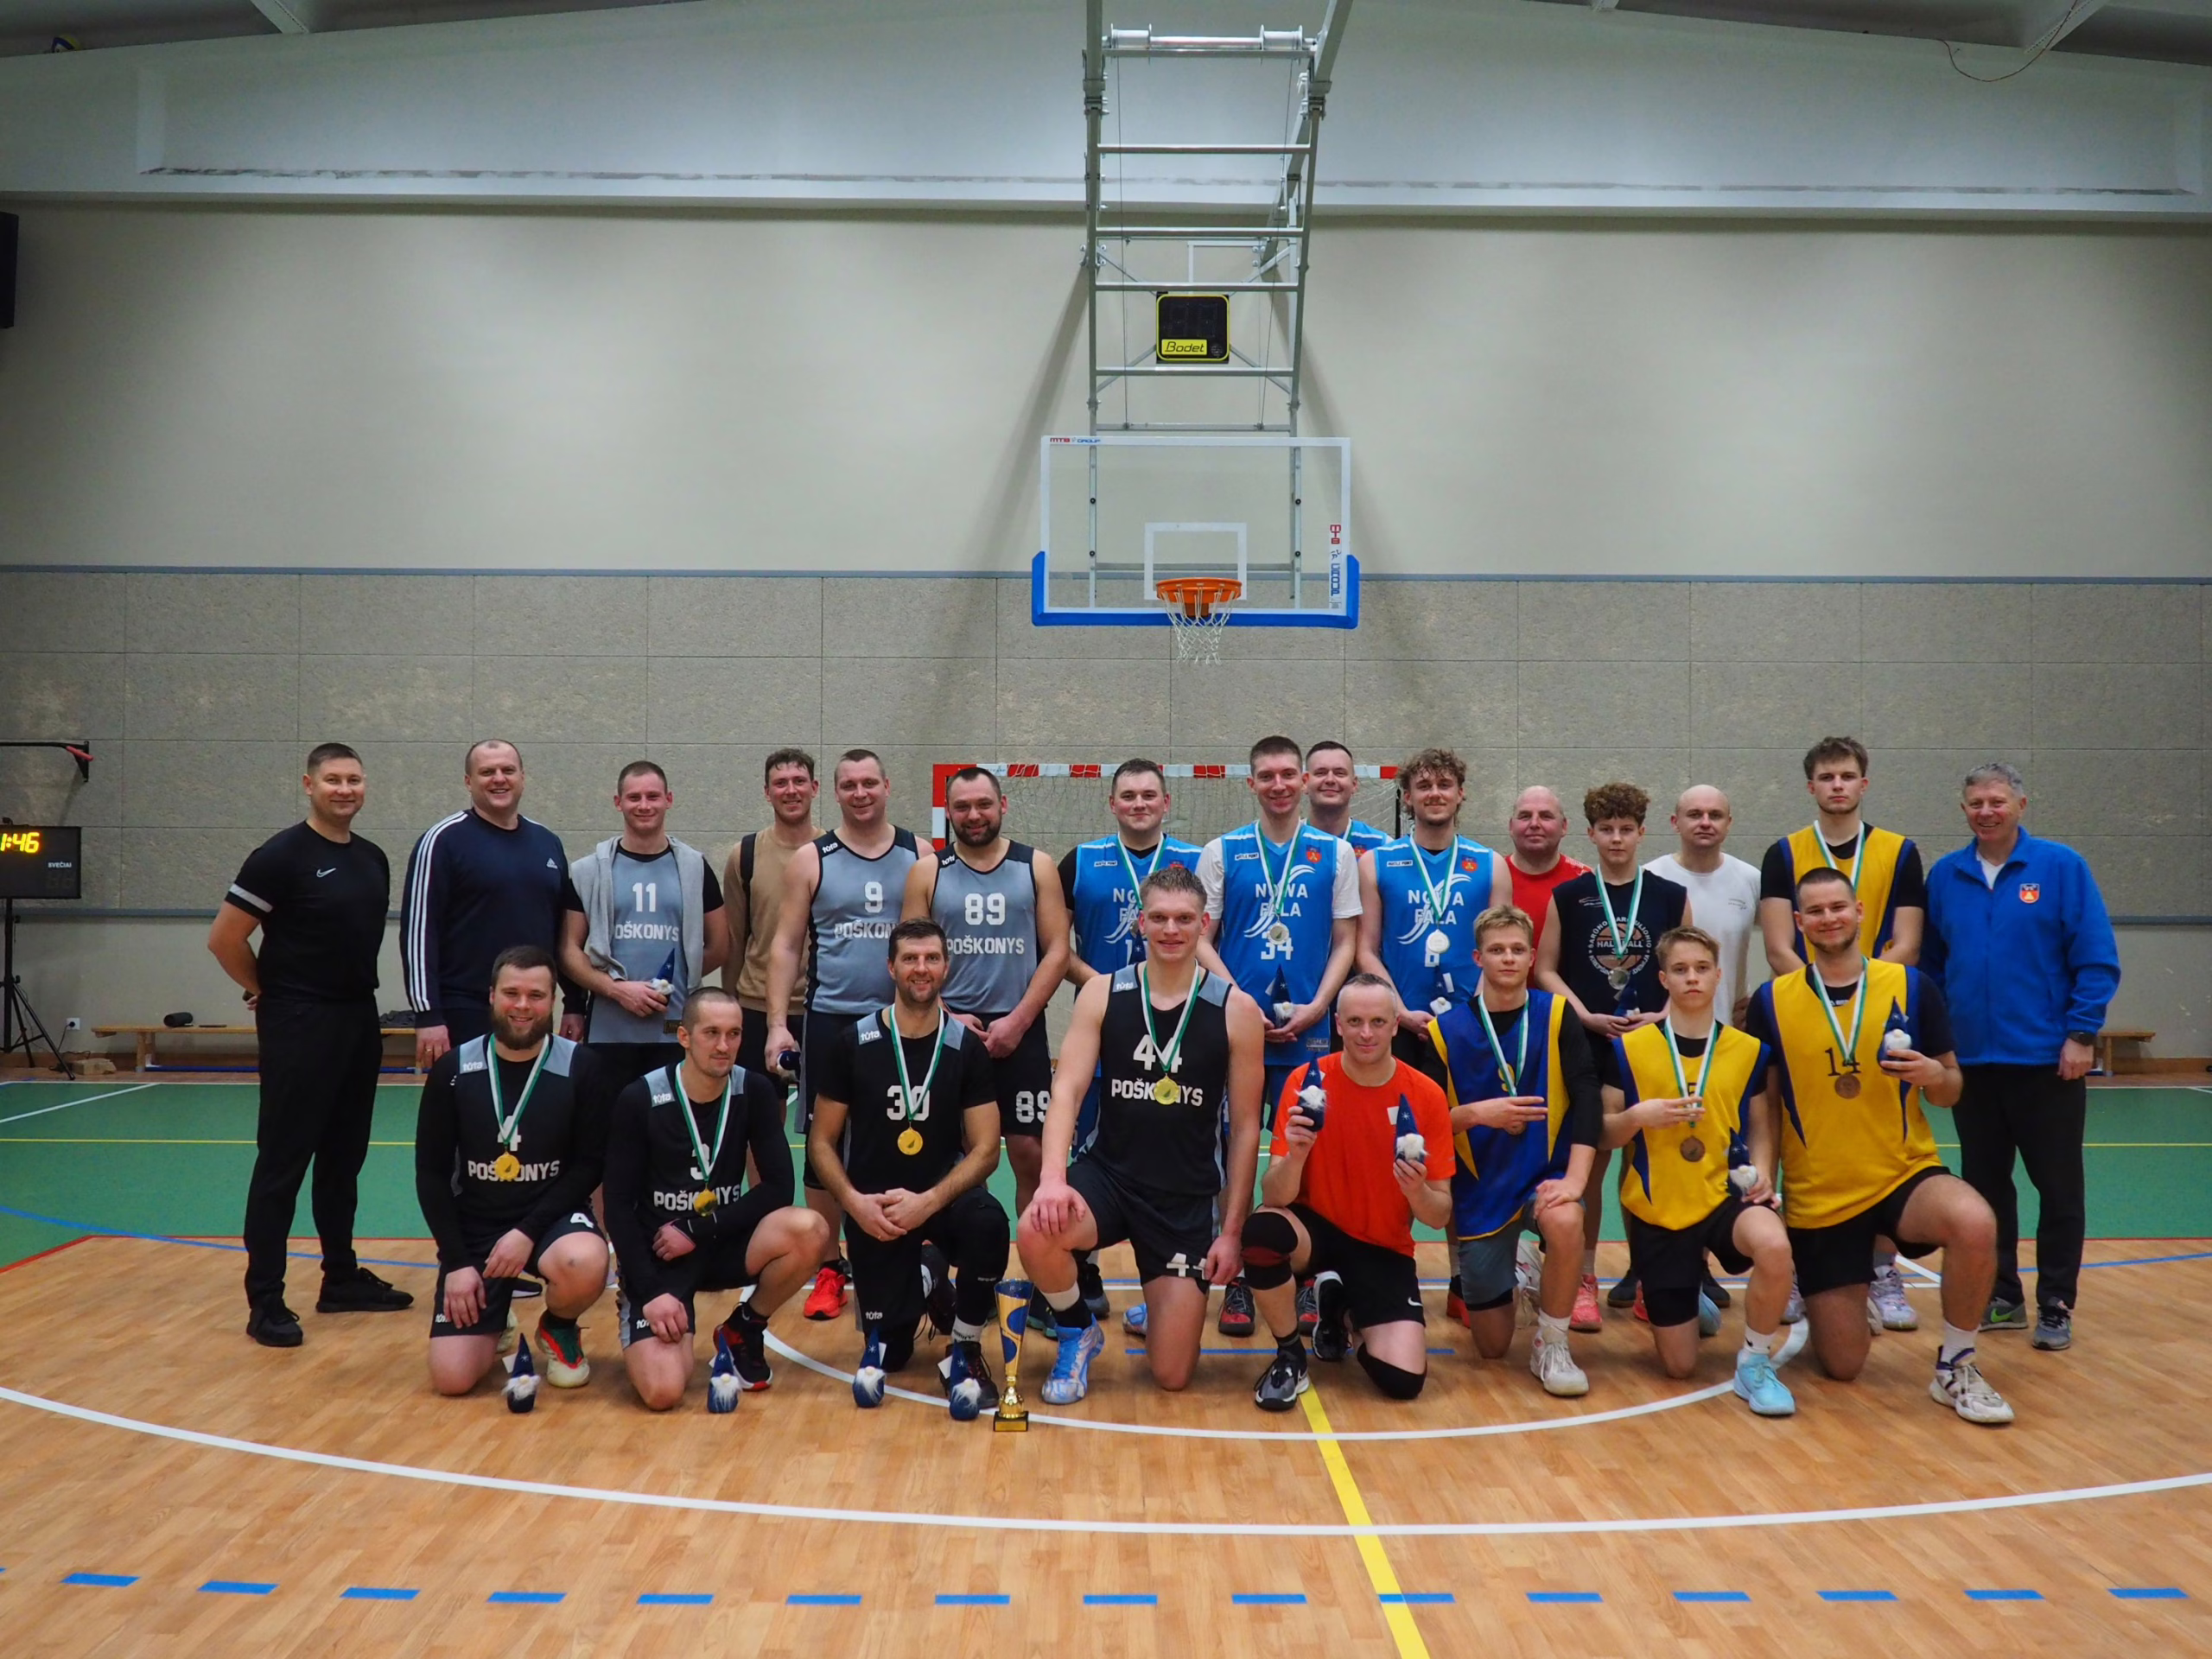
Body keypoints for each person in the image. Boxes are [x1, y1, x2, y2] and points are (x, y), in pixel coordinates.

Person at [1742, 868, 2013, 1425]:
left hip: (1901, 1173)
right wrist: (1764, 1173)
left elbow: (1951, 1089)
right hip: (1821, 1194)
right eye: (1815, 911)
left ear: (1860, 911)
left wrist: (1933, 1075)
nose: (1829, 919)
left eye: (1838, 907)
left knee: (1975, 1221)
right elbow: (1764, 1105)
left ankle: (1957, 1365)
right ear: (1799, 924)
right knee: (1843, 1365)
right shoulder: (1772, 1000)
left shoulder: (1913, 987)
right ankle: (1842, 1289)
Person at [1018, 864, 1265, 1402]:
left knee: (1172, 1376)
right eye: (1159, 918)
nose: (1171, 929)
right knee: (1037, 1228)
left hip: (1184, 1198)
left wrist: (1231, 1232)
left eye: (1184, 919)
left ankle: (1163, 1304)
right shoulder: (1103, 993)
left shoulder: (1237, 1010)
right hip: (1110, 1177)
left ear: (1204, 925)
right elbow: (1067, 1092)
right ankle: (1077, 1329)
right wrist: (1052, 1180)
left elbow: (1246, 1130)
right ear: (1141, 923)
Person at [212, 743, 412, 1347]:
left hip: (357, 1020)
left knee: (344, 1159)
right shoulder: (279, 857)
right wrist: (267, 992)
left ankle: (341, 1278)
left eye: (354, 779)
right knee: (283, 1164)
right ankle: (265, 1301)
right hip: (300, 1024)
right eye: (333, 780)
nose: (344, 790)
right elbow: (225, 939)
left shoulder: (372, 858)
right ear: (309, 784)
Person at [1921, 762, 2120, 1354]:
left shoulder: (2060, 867)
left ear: (2021, 806)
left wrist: (2081, 1034)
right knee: (1984, 1189)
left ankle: (2056, 1302)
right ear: (1964, 810)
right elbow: (1932, 968)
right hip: (1972, 1065)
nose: (1986, 812)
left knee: (2058, 1188)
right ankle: (2001, 1295)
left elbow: (2095, 956)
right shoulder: (1946, 876)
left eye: (1997, 801)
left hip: (2046, 1061)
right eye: (1976, 803)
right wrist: (1941, 1044)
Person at [1757, 735, 1928, 1332]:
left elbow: (1907, 943)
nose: (1837, 785)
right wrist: (1817, 993)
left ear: (1864, 783)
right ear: (1811, 786)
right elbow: (1779, 945)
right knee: (1799, 1130)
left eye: (1847, 776)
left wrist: (1864, 994)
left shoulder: (1900, 851)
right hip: (1802, 1009)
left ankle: (1881, 1269)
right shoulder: (1783, 852)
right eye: (1826, 777)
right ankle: (1803, 1265)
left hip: (1881, 1012)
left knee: (1878, 1131)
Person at [807, 919, 1009, 1412]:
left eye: (932, 958)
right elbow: (821, 1142)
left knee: (989, 1222)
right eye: (911, 959)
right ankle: (927, 1275)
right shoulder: (852, 1042)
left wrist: (930, 1202)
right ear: (891, 967)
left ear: (946, 967)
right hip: (876, 1208)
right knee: (894, 1354)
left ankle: (965, 1345)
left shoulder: (964, 1046)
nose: (922, 968)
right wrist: (853, 1203)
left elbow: (987, 1149)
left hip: (942, 1197)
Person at [1197, 734, 1361, 1336]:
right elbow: (1200, 938)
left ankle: (1309, 1278)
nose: (1279, 785)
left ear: (1305, 781)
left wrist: (1320, 1005)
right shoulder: (1222, 851)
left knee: (1307, 1152)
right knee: (1234, 1150)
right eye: (1267, 775)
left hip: (1310, 1034)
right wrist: (1238, 1002)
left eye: (1289, 774)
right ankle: (1238, 1274)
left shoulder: (1336, 854)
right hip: (1240, 1032)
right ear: (1251, 784)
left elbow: (1346, 940)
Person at [603, 987, 832, 1411]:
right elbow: (616, 1206)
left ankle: (744, 1327)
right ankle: (638, 1303)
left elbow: (778, 1188)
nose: (724, 1046)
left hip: (717, 1239)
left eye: (734, 1034)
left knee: (809, 1228)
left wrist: (698, 1228)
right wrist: (649, 1290)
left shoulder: (753, 1090)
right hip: (661, 1255)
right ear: (685, 1037)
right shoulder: (640, 1098)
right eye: (711, 1033)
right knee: (664, 1392)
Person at [1601, 927, 1796, 1416]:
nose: (1692, 978)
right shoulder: (1628, 1050)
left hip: (1726, 1195)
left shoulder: (1749, 1051)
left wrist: (1763, 1171)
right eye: (1681, 970)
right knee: (1680, 1366)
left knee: (1774, 1245)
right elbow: (1603, 1132)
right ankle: (1684, 1294)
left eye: (1702, 968)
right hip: (1661, 1209)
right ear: (1663, 979)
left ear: (1718, 975)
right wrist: (1635, 1118)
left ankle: (1755, 1362)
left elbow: (1762, 1125)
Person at [761, 749, 922, 1323]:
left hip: (903, 1021)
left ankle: (913, 1256)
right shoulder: (812, 859)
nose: (860, 793)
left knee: (910, 1134)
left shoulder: (921, 854)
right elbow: (786, 945)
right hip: (831, 1020)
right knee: (823, 1147)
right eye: (849, 785)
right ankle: (831, 1268)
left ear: (887, 786)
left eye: (869, 783)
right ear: (835, 793)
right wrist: (777, 1024)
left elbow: (935, 938)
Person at [1243, 975, 1454, 1411]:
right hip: (1314, 1231)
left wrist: (1416, 1190)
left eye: (1377, 1022)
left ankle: (1339, 1306)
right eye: (1355, 1021)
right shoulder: (1306, 1084)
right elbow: (1274, 1195)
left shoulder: (1426, 1095)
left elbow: (1438, 1215)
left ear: (1395, 1025)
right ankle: (1290, 1355)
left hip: (1382, 1244)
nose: (1366, 1033)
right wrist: (1297, 1155)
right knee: (1263, 1232)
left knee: (1402, 1381)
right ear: (1338, 1025)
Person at [1417, 905, 1600, 1398]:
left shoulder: (1557, 1015)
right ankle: (1524, 1267)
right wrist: (1478, 1114)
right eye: (1497, 950)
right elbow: (1426, 1126)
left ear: (1532, 957)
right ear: (1478, 958)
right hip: (1482, 1190)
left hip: (1544, 1175)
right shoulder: (1443, 1031)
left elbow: (1587, 1099)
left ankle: (1553, 1342)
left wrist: (1575, 1181)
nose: (1508, 958)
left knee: (1566, 1218)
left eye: (1518, 949)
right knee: (1493, 1346)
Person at [413, 947, 612, 1399]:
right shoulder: (453, 1069)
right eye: (512, 993)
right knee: (452, 1379)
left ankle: (559, 1325)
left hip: (550, 1221)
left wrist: (527, 1231)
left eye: (536, 996)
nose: (523, 1006)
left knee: (585, 1260)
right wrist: (456, 1262)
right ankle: (494, 1309)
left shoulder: (582, 1067)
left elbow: (589, 1165)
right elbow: (431, 1174)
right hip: (476, 1228)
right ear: (491, 995)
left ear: (553, 1001)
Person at [1356, 747, 1510, 1325]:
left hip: (1466, 1031)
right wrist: (1397, 1010)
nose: (1435, 793)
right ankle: (1381, 1269)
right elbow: (1367, 947)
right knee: (1386, 1151)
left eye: (1445, 784)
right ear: (1407, 796)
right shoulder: (1378, 863)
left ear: (1461, 793)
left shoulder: (1489, 865)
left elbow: (1500, 949)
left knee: (1460, 1154)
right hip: (1397, 1027)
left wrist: (1468, 1016)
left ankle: (1463, 1279)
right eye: (1424, 785)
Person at [1535, 781, 1689, 1326]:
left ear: (1642, 832)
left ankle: (1648, 1276)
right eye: (1607, 829)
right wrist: (1583, 1014)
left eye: (1627, 829)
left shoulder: (1669, 894)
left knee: (1647, 1163)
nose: (1617, 838)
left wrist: (1663, 1014)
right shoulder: (1569, 896)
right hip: (1590, 1044)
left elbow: (1687, 966)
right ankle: (1583, 1276)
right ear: (1591, 833)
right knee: (1592, 1161)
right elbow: (1545, 969)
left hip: (1651, 1044)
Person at [1058, 759, 1204, 1329]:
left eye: (1149, 795)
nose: (1139, 803)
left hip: (1179, 1036)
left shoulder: (1197, 861)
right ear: (1112, 803)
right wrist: (1110, 990)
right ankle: (1084, 1273)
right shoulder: (1080, 861)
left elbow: (1207, 942)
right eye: (1128, 795)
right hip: (1105, 1029)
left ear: (1166, 803)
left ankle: (1169, 1275)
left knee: (1176, 1155)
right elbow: (1057, 946)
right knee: (1089, 1155)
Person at [902, 766, 1070, 1221]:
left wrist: (1020, 1020)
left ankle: (1036, 1257)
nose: (974, 815)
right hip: (948, 1029)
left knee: (1031, 1151)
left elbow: (1057, 951)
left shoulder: (1036, 865)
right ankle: (957, 1257)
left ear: (1003, 806)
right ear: (948, 812)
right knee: (949, 1157)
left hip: (1020, 1027)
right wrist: (944, 1017)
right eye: (962, 807)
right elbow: (910, 956)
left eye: (983, 804)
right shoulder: (927, 871)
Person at [403, 740, 582, 1070]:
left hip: (533, 1010)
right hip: (464, 1011)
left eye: (508, 770)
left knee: (533, 1100)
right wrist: (428, 1014)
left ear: (522, 778)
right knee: (467, 1102)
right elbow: (419, 933)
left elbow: (563, 933)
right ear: (468, 781)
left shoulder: (547, 842)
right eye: (487, 772)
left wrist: (574, 1003)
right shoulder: (442, 840)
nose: (499, 778)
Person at [562, 761, 729, 1090]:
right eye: (634, 797)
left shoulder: (695, 868)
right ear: (618, 802)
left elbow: (720, 944)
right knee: (610, 1121)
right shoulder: (588, 871)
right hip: (609, 1032)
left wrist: (677, 979)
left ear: (669, 799)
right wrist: (617, 990)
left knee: (670, 1120)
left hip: (674, 1030)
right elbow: (568, 950)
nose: (644, 805)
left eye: (653, 796)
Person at [721, 748, 820, 1077]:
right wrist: (730, 1004)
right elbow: (735, 939)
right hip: (756, 1005)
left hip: (820, 1005)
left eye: (799, 781)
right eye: (780, 783)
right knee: (761, 1104)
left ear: (815, 788)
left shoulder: (833, 851)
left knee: (822, 1104)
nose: (791, 790)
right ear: (767, 792)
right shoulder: (745, 855)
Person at [1643, 785, 1764, 1026]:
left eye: (1715, 815)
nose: (1706, 823)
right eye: (1695, 815)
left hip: (1728, 1026)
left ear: (1729, 823)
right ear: (1675, 822)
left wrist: (1763, 1000)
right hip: (1660, 1027)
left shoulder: (1750, 879)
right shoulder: (1650, 878)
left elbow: (1784, 943)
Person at [1502, 786, 1587, 953]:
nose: (1534, 824)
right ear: (1511, 826)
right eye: (1525, 816)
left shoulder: (1586, 881)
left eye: (1546, 816)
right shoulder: (1491, 877)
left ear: (1564, 826)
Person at [1304, 741, 1390, 854]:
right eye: (1321, 773)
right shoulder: (1288, 841)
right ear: (1304, 783)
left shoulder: (1383, 846)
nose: (1330, 780)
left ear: (1354, 784)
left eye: (1340, 773)